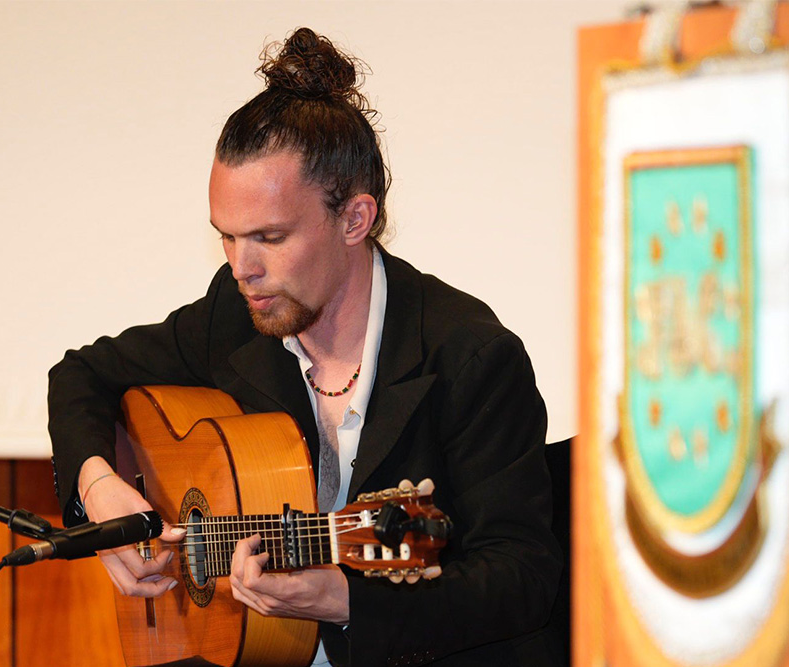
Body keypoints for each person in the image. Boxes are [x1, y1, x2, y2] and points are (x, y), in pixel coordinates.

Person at [48, 27, 563, 666]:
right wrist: (98, 489)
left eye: (269, 236)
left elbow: (522, 582)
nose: (242, 268)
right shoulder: (232, 316)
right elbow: (80, 376)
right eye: (227, 238)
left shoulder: (467, 357)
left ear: (354, 218)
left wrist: (346, 602)